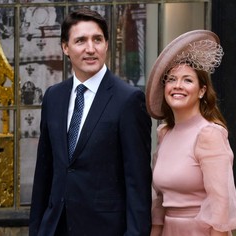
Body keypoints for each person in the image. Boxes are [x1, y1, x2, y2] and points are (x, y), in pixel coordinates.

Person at [29, 8, 152, 236]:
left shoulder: (128, 100)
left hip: (105, 229)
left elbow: (138, 183)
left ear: (106, 44)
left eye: (97, 39)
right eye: (80, 41)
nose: (90, 49)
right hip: (54, 227)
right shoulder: (53, 97)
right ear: (65, 47)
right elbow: (44, 173)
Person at [146, 30, 236, 236]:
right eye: (171, 79)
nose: (178, 86)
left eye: (187, 80)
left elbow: (220, 204)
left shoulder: (209, 134)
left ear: (201, 91)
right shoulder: (165, 133)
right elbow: (160, 200)